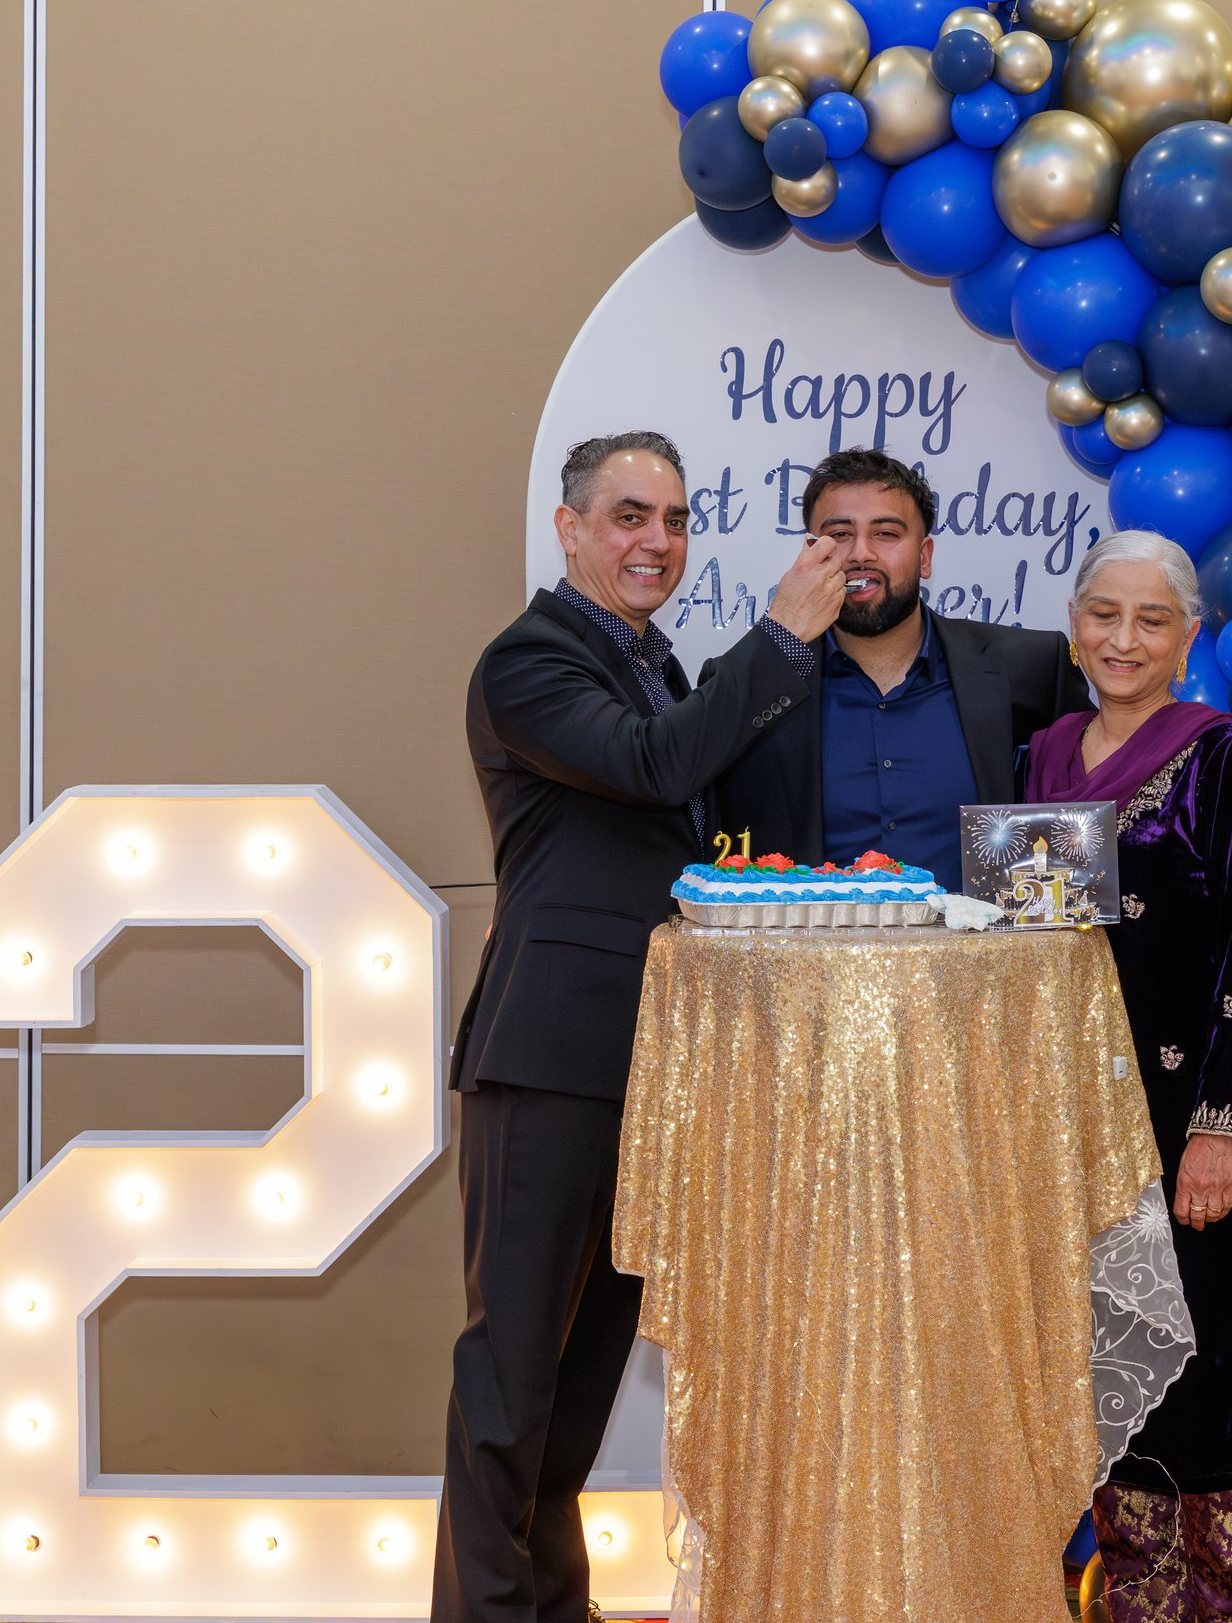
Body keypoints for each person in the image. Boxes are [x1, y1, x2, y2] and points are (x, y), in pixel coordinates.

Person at [438, 431, 849, 1623]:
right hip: (550, 1053)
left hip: (651, 1067)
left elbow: (698, 799)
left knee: (574, 1387)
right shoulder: (529, 659)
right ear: (568, 529)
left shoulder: (658, 663)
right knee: (509, 1376)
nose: (654, 541)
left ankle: (551, 1606)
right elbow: (650, 761)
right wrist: (776, 639)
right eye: (628, 516)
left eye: (672, 520)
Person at [1024, 530, 1232, 1623]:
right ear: (1074, 624)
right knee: (1121, 1400)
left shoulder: (1226, 757)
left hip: (1197, 1130)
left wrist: (1219, 1131)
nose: (1124, 638)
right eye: (1104, 613)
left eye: (1151, 620)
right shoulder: (1044, 757)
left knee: (1213, 1389)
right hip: (1082, 1134)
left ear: (1187, 638)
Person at [707, 447, 1088, 885]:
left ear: (925, 557)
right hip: (807, 952)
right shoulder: (752, 685)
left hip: (983, 952)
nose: (860, 554)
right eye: (839, 534)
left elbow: (1086, 821)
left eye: (886, 533)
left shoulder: (1030, 667)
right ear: (809, 553)